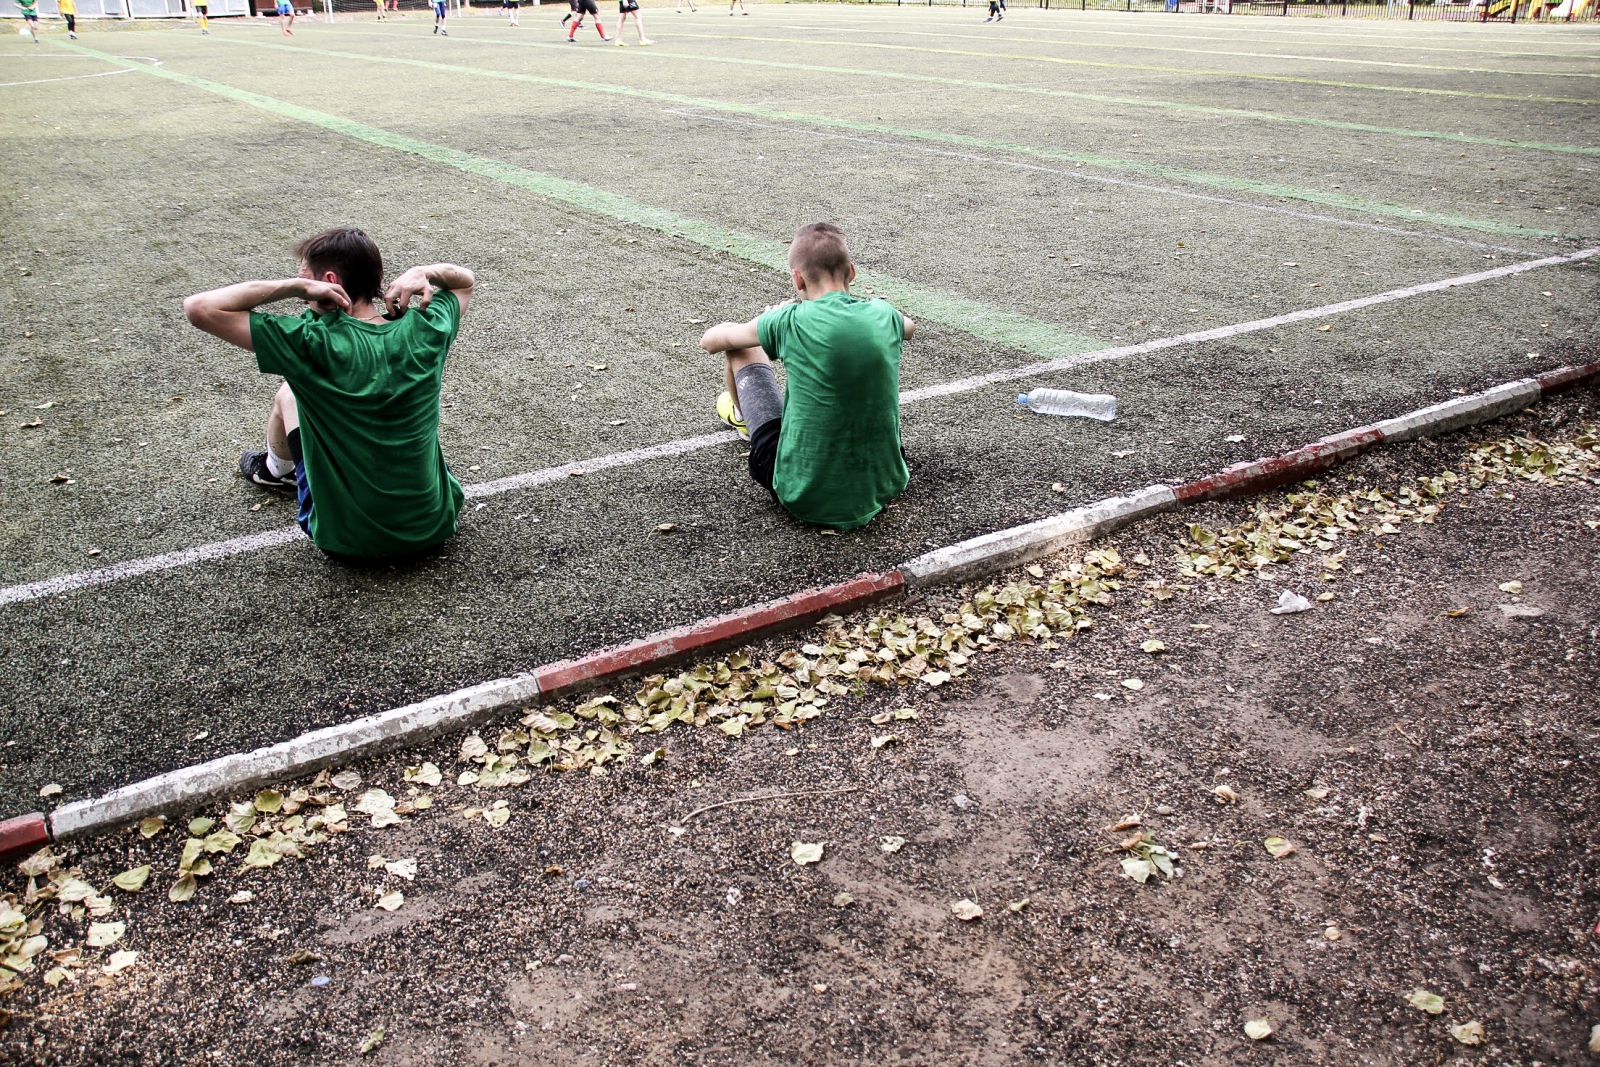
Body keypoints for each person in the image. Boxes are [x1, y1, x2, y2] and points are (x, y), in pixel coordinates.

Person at [182, 228, 473, 563]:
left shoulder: (309, 342)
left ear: (329, 280)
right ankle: (279, 471)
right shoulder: (426, 328)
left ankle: (276, 471)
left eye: (304, 276)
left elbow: (199, 308)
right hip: (432, 527)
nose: (301, 287)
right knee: (299, 390)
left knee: (289, 393)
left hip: (348, 544)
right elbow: (464, 281)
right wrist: (426, 272)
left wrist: (295, 288)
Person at [698, 223, 913, 531]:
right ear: (851, 272)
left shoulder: (787, 320)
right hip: (883, 483)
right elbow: (909, 327)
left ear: (797, 279)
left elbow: (710, 341)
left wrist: (765, 321)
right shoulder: (884, 315)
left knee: (740, 349)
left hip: (804, 493)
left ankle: (745, 420)